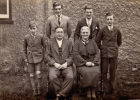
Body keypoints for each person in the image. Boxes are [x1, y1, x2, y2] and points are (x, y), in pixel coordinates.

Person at [96, 12, 122, 94]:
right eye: (108, 19)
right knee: (104, 71)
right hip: (105, 54)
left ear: (113, 20)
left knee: (113, 71)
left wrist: (115, 47)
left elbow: (119, 41)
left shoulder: (117, 30)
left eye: (111, 19)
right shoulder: (102, 30)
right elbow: (97, 41)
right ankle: (106, 89)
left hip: (114, 54)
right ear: (105, 20)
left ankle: (112, 88)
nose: (109, 21)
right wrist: (102, 48)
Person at [46, 26, 74, 100]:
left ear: (64, 33)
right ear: (55, 33)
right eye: (58, 32)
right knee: (52, 77)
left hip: (66, 65)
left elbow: (72, 55)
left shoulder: (69, 42)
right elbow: (47, 55)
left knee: (70, 77)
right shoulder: (50, 42)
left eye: (61, 32)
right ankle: (59, 93)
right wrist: (54, 63)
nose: (60, 34)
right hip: (54, 65)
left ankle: (60, 95)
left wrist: (66, 64)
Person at [73, 26, 100, 99]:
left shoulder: (93, 42)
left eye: (86, 33)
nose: (85, 34)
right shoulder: (77, 43)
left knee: (96, 71)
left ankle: (93, 90)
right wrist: (85, 62)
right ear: (81, 34)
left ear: (89, 33)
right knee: (86, 72)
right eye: (83, 33)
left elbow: (97, 52)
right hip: (82, 64)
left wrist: (94, 62)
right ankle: (88, 90)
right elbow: (76, 54)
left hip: (92, 63)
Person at [23, 21, 46, 96]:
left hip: (39, 58)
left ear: (37, 28)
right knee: (32, 75)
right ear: (29, 29)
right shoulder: (26, 37)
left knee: (38, 74)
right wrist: (25, 59)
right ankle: (34, 90)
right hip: (30, 59)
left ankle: (39, 89)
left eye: (34, 28)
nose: (33, 30)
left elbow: (45, 47)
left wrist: (43, 56)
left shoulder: (41, 36)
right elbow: (24, 49)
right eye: (31, 29)